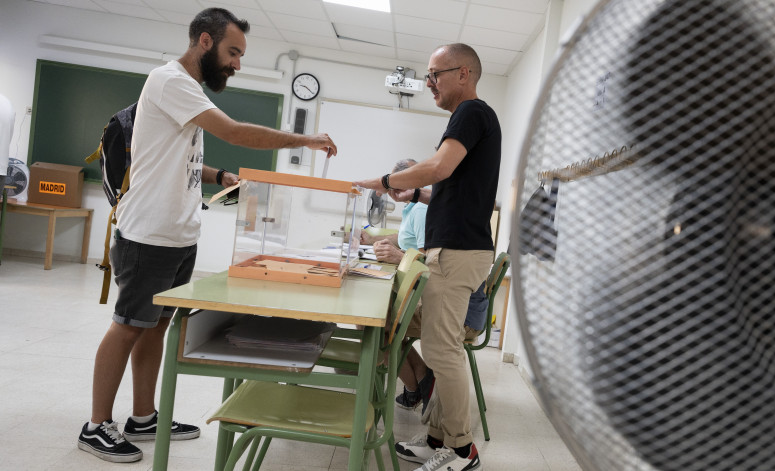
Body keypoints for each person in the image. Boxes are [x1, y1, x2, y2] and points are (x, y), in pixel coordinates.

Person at [77, 8, 338, 463]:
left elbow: (171, 155)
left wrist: (218, 175)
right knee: (126, 327)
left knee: (156, 327)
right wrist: (305, 140)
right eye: (233, 52)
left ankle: (143, 416)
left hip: (178, 235)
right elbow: (234, 132)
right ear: (204, 41)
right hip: (149, 236)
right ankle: (95, 426)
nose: (237, 63)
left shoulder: (188, 90)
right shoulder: (170, 80)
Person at [355, 42, 499, 471]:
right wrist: (415, 193)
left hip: (458, 252)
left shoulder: (471, 113)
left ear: (464, 75)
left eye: (436, 74)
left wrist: (381, 181)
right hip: (451, 249)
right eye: (428, 75)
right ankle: (437, 437)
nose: (429, 83)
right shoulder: (470, 119)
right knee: (424, 341)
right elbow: (448, 186)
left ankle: (460, 450)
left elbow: (439, 166)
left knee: (442, 351)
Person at [364, 159, 489, 412]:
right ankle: (421, 377)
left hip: (458, 313)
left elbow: (427, 265)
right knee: (382, 318)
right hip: (458, 304)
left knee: (377, 321)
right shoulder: (424, 208)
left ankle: (416, 385)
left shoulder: (425, 210)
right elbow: (412, 245)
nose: (395, 194)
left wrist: (400, 258)